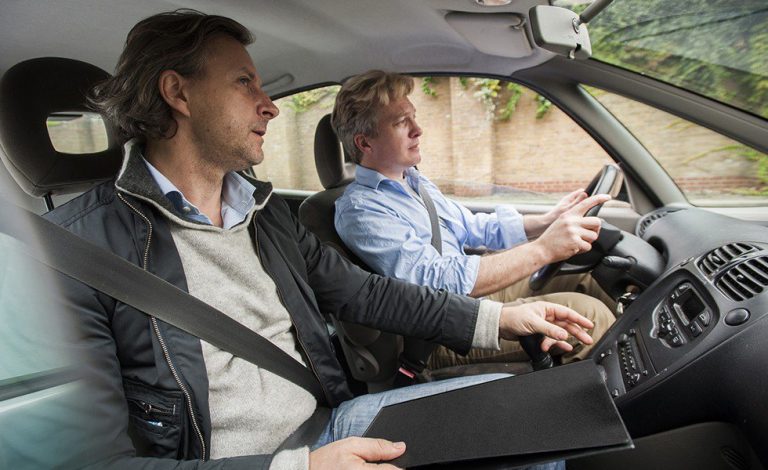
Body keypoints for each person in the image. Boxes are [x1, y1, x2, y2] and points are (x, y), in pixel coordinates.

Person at [42, 10, 595, 470]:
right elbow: (97, 464)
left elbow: (366, 294)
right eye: (244, 82)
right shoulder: (76, 256)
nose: (269, 104)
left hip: (332, 425)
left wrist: (499, 319)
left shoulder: (266, 217)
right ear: (177, 93)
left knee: (534, 421)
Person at [333, 70, 616, 368]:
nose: (418, 130)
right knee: (590, 316)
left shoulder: (414, 181)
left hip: (468, 301)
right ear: (365, 143)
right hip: (441, 332)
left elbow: (471, 227)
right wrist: (543, 249)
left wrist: (547, 221)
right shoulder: (361, 211)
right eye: (402, 122)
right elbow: (436, 284)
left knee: (584, 274)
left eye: (413, 117)